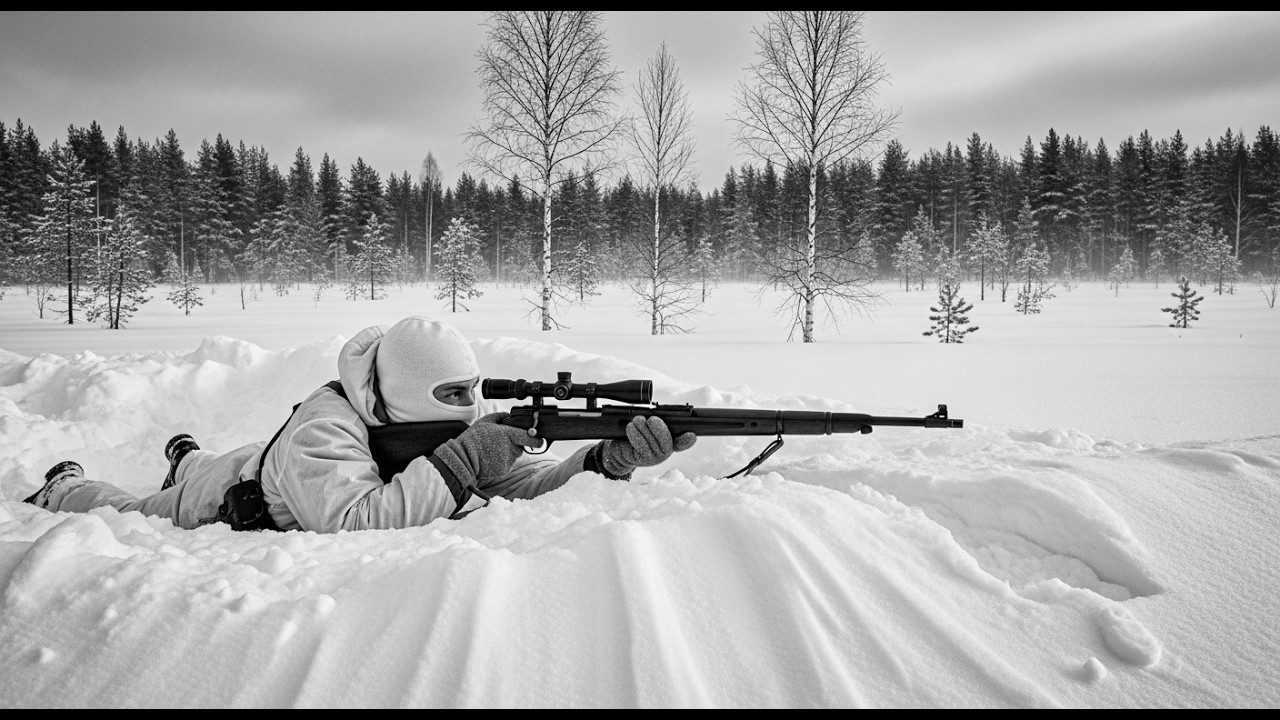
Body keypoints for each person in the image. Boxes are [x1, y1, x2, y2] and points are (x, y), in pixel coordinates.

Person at [22, 316, 697, 532]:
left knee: (198, 460)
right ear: (403, 398)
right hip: (235, 489)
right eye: (450, 396)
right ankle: (65, 486)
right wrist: (462, 461)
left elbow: (520, 485)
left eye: (470, 393)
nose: (467, 412)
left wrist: (600, 462)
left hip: (276, 465)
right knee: (137, 509)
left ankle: (184, 454)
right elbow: (352, 520)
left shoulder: (429, 424)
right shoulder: (323, 428)